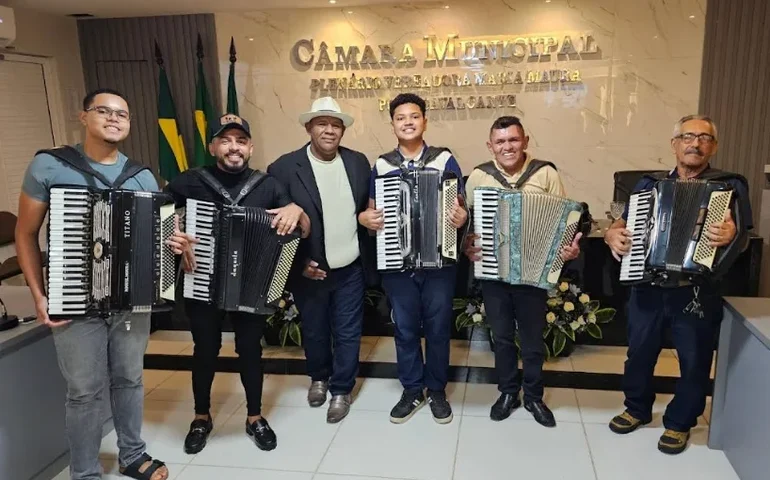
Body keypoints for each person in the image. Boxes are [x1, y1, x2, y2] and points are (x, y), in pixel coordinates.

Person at [16, 88, 194, 480]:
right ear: (83, 117)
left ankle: (133, 455)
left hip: (131, 302)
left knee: (130, 379)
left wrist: (177, 244)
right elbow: (26, 234)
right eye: (104, 111)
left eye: (123, 115)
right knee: (83, 392)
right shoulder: (50, 166)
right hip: (73, 298)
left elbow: (162, 243)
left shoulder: (142, 176)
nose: (114, 119)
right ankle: (85, 472)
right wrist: (39, 295)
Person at [604, 114, 752, 454]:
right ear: (674, 144)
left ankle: (680, 422)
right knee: (639, 352)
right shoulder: (647, 184)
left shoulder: (730, 185)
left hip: (697, 287)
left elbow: (743, 235)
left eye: (704, 138)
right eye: (688, 136)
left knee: (694, 357)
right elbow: (621, 220)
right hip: (648, 284)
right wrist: (613, 233)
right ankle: (636, 408)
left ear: (713, 147)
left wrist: (732, 235)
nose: (695, 143)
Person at [165, 114, 309, 453]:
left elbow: (300, 227)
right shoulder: (190, 181)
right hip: (201, 283)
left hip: (252, 286)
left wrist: (296, 209)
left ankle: (254, 417)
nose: (234, 147)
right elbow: (158, 215)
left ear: (250, 147)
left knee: (250, 352)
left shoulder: (268, 185)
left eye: (241, 141)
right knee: (205, 352)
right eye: (226, 140)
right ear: (214, 146)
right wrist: (175, 231)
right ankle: (201, 416)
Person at [462, 116, 582, 427]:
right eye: (500, 142)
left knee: (531, 339)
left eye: (513, 140)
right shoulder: (478, 176)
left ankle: (533, 395)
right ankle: (507, 392)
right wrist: (467, 245)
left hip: (533, 273)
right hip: (494, 271)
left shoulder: (545, 173)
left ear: (525, 141)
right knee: (501, 338)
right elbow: (465, 223)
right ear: (490, 146)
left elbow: (563, 219)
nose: (507, 147)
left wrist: (567, 248)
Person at [358, 93, 468, 425]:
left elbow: (458, 201)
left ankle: (435, 389)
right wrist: (367, 218)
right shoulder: (382, 164)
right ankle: (411, 389)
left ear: (425, 121)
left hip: (439, 263)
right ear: (392, 124)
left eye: (414, 116)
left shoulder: (444, 159)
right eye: (401, 117)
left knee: (437, 328)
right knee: (405, 329)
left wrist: (460, 216)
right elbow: (372, 208)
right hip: (398, 262)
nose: (408, 122)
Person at [267, 97, 377, 423]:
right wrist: (299, 263)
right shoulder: (284, 168)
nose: (329, 130)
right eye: (322, 123)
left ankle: (341, 389)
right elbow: (276, 226)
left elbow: (361, 211)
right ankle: (319, 377)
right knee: (314, 330)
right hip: (309, 270)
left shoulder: (358, 163)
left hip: (351, 267)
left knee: (348, 332)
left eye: (336, 125)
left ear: (343, 130)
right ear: (309, 127)